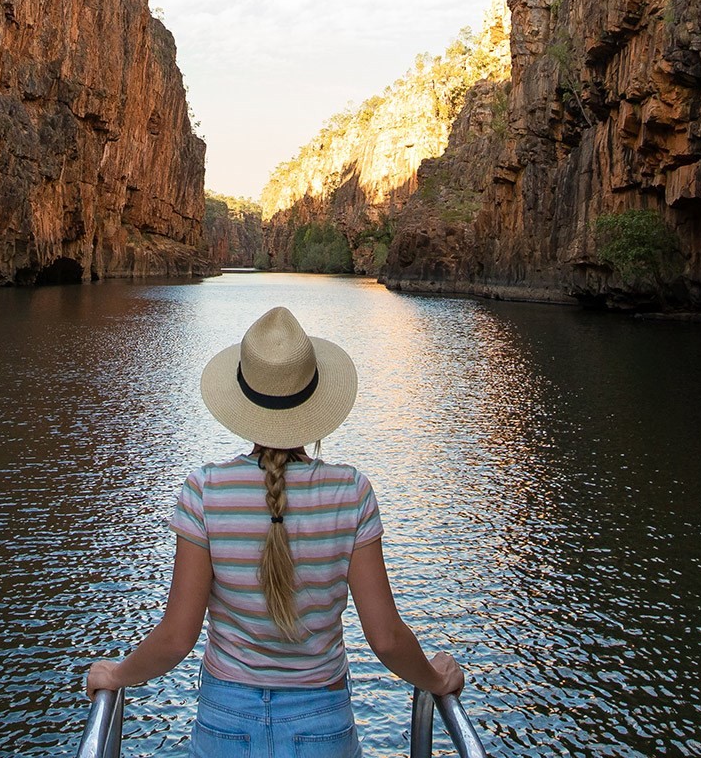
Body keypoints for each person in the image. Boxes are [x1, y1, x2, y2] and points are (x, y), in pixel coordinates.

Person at [84, 306, 467, 757]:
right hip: (321, 722)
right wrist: (437, 679)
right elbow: (385, 638)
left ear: (243, 399)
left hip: (227, 721)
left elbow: (176, 637)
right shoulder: (351, 492)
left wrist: (117, 675)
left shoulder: (205, 490)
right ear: (314, 399)